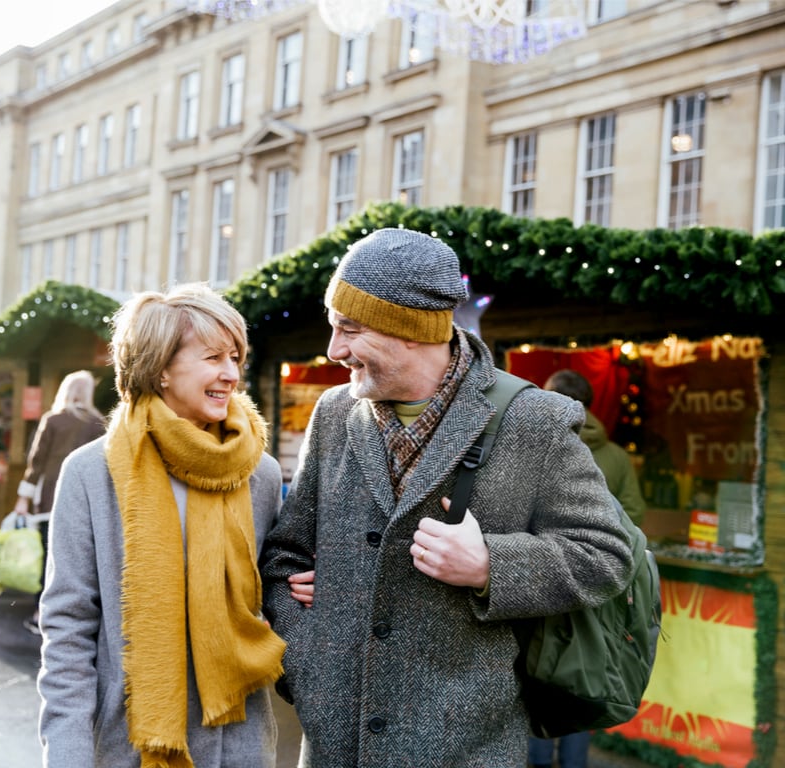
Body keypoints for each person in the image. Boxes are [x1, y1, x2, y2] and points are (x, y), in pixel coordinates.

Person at [259, 228, 635, 768]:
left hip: (466, 749)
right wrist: (308, 655)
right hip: (334, 744)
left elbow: (605, 554)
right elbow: (285, 555)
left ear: (410, 331)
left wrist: (490, 566)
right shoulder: (335, 412)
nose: (333, 350)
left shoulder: (535, 421)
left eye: (350, 329)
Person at [37, 283, 287, 768]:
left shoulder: (261, 474)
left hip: (236, 747)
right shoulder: (92, 472)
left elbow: (273, 597)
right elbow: (67, 626)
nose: (231, 374)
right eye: (213, 357)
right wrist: (67, 754)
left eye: (236, 357)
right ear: (161, 368)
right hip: (129, 745)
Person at [526, 368, 648, 768]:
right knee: (583, 677)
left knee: (540, 676)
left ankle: (540, 760)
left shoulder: (536, 445)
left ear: (552, 399)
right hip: (597, 590)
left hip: (539, 582)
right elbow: (635, 512)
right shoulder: (614, 455)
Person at [13, 369, 107, 635]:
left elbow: (36, 462)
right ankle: (72, 620)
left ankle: (39, 614)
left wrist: (23, 498)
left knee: (47, 558)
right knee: (78, 560)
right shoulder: (97, 422)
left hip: (48, 500)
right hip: (83, 501)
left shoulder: (52, 420)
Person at [543, 368, 646, 526]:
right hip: (604, 547)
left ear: (551, 400)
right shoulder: (618, 456)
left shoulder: (533, 446)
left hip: (543, 548)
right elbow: (634, 511)